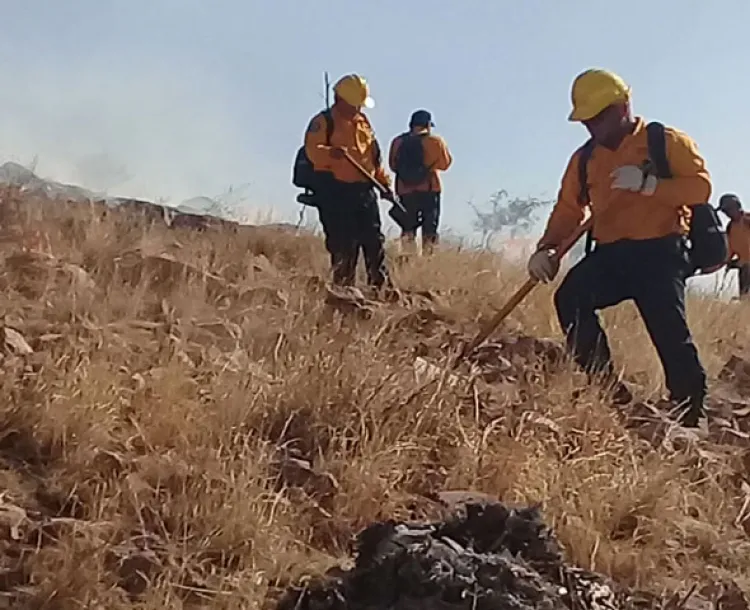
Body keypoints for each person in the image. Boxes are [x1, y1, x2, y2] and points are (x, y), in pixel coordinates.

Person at [527, 68, 711, 427]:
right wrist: (546, 248)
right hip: (612, 255)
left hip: (660, 251)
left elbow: (700, 188)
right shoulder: (584, 160)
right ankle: (608, 391)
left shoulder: (664, 141)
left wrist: (649, 185)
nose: (592, 126)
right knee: (570, 299)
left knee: (669, 331)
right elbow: (568, 209)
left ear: (623, 105)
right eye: (587, 120)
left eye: (599, 117)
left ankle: (691, 411)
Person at [303, 73, 392, 290]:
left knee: (374, 243)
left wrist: (384, 183)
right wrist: (331, 153)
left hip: (364, 192)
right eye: (355, 104)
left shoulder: (363, 123)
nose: (358, 109)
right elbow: (312, 151)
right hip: (335, 192)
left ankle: (381, 290)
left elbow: (372, 159)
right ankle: (344, 293)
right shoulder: (323, 122)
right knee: (344, 246)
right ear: (339, 99)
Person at [388, 110, 453, 255]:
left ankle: (407, 259)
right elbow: (445, 164)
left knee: (408, 229)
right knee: (430, 230)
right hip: (430, 190)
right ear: (428, 124)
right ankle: (428, 262)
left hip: (405, 192)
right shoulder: (435, 141)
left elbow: (393, 166)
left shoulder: (397, 142)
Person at [717, 193, 750, 298]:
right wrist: (726, 261)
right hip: (745, 269)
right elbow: (730, 250)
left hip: (746, 266)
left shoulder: (748, 220)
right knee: (744, 299)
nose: (727, 214)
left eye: (728, 210)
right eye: (724, 211)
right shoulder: (730, 227)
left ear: (737, 206)